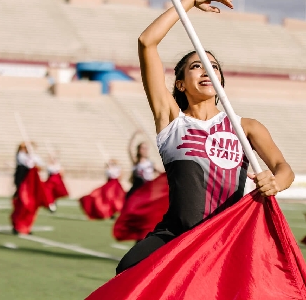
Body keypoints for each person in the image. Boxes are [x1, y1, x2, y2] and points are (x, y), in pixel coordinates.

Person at [115, 0, 294, 274]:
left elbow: (285, 170)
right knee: (128, 271)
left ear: (220, 80)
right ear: (180, 83)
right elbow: (146, 42)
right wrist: (190, 2)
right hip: (176, 234)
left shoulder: (246, 127)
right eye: (197, 66)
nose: (207, 70)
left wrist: (276, 182)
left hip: (228, 238)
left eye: (213, 66)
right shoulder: (171, 120)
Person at [126, 131, 156, 199]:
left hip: (147, 187)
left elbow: (161, 172)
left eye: (146, 148)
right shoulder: (136, 161)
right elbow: (129, 149)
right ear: (139, 150)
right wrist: (134, 136)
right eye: (143, 148)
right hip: (138, 187)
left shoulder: (151, 163)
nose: (145, 150)